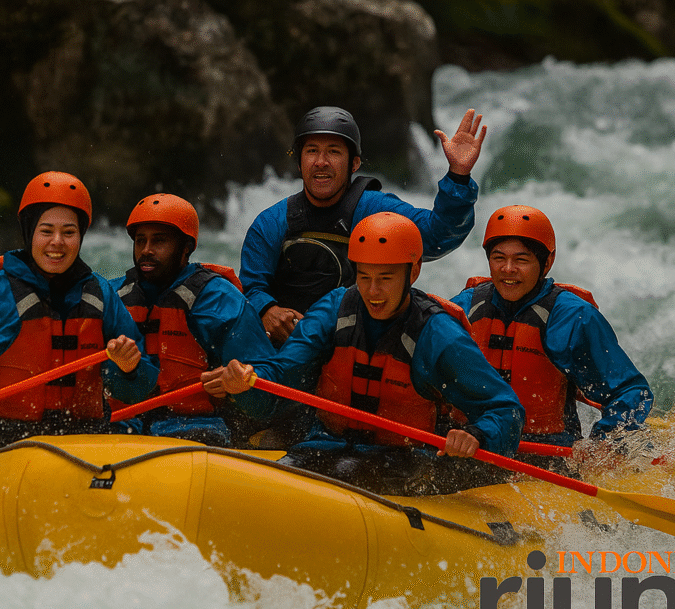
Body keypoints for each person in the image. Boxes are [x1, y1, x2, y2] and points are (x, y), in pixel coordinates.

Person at [209, 212, 525, 496]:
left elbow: (506, 409)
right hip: (325, 446)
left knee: (350, 472)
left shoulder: (438, 334)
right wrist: (247, 385)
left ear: (412, 272)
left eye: (385, 279)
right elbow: (281, 379)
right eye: (364, 277)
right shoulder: (334, 310)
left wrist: (477, 435)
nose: (373, 292)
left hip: (405, 461)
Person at [0, 171, 159, 462]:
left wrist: (129, 367)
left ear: (81, 236)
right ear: (30, 233)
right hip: (3, 441)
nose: (58, 242)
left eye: (69, 232)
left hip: (83, 442)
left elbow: (141, 385)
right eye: (46, 231)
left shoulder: (100, 295)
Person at [239, 105, 487, 346]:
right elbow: (250, 287)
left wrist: (458, 175)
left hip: (357, 344)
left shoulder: (375, 211)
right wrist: (267, 309)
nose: (321, 162)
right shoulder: (272, 222)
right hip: (293, 343)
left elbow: (437, 236)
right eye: (312, 151)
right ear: (299, 162)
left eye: (334, 152)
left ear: (354, 164)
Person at [451, 205, 653, 465]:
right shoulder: (466, 306)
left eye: (521, 260)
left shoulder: (573, 317)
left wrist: (606, 441)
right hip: (469, 445)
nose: (507, 269)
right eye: (498, 258)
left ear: (546, 262)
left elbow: (630, 390)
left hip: (542, 456)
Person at [109, 193, 275, 446]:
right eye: (140, 241)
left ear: (186, 247)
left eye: (159, 241)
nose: (146, 250)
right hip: (125, 421)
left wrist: (239, 382)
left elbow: (266, 387)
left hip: (197, 424)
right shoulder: (113, 294)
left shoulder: (220, 300)